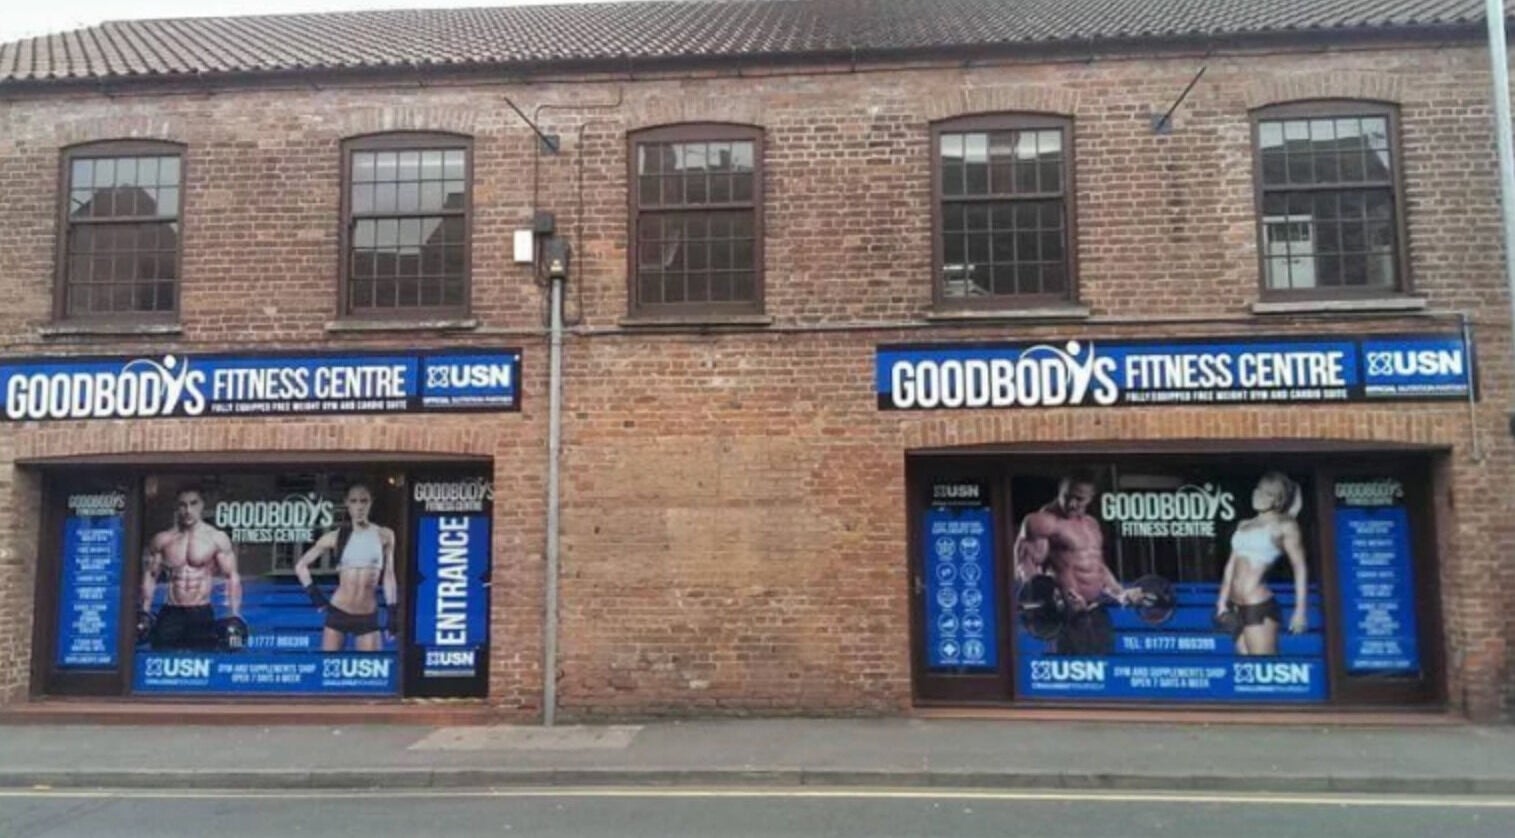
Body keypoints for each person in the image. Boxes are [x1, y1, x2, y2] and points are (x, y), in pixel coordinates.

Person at [1013, 472, 1143, 655]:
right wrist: (1057, 601)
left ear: (1090, 498)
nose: (1072, 503)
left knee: (1105, 672)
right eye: (1067, 496)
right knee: (1071, 679)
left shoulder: (1091, 524)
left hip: (1096, 612)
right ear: (1060, 491)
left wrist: (1120, 593)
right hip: (1065, 617)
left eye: (1079, 499)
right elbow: (1025, 569)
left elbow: (1098, 567)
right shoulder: (1042, 522)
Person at [295, 483, 398, 652]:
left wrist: (392, 612)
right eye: (354, 501)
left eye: (364, 501)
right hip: (339, 611)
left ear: (371, 503)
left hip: (367, 614)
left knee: (372, 671)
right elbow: (301, 565)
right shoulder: (335, 537)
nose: (359, 507)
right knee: (329, 669)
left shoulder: (385, 535)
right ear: (347, 504)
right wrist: (316, 596)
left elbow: (389, 575)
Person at [1215, 472, 1309, 656]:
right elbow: (1230, 566)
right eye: (1258, 490)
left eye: (1267, 493)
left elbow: (1299, 568)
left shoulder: (1285, 526)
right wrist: (1221, 602)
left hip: (1257, 605)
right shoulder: (1243, 525)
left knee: (1263, 668)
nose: (1258, 495)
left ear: (1277, 499)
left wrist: (1300, 611)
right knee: (1247, 668)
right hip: (1234, 606)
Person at [140, 486, 242, 650]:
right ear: (176, 506)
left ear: (202, 505)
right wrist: (145, 610)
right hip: (171, 611)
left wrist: (234, 613)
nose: (188, 510)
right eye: (183, 504)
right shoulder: (163, 539)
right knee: (161, 659)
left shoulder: (216, 538)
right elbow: (151, 575)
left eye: (193, 504)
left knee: (203, 661)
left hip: (200, 611)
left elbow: (231, 577)